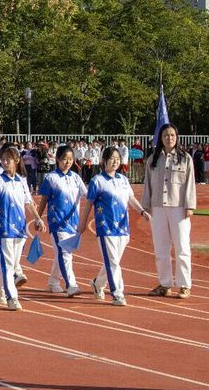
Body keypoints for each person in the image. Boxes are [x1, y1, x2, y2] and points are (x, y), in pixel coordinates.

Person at [80, 146, 148, 305]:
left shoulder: (123, 180)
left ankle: (97, 284)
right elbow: (89, 204)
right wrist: (82, 223)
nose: (115, 161)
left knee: (113, 261)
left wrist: (143, 212)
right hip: (106, 227)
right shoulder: (97, 181)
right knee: (113, 262)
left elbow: (131, 199)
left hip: (123, 227)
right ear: (104, 161)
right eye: (112, 159)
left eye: (117, 159)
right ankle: (118, 293)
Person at [0, 145, 46, 310]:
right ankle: (12, 297)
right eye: (3, 159)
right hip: (3, 228)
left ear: (17, 161)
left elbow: (29, 203)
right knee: (7, 264)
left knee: (13, 264)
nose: (5, 162)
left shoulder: (21, 181)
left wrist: (38, 219)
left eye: (8, 159)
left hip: (20, 228)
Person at [142, 123, 197, 299]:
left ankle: (184, 284)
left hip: (178, 207)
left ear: (177, 137)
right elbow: (148, 184)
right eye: (166, 135)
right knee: (161, 248)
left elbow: (190, 183)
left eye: (172, 135)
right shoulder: (153, 159)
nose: (169, 138)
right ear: (160, 138)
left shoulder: (185, 158)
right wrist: (146, 205)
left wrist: (190, 205)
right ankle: (165, 283)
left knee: (182, 247)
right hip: (158, 207)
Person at [37, 144, 87, 297]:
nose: (68, 162)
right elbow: (44, 200)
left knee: (64, 253)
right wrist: (38, 218)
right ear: (58, 159)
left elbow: (87, 195)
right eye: (65, 159)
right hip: (57, 222)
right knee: (65, 253)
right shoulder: (51, 178)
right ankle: (71, 284)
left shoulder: (76, 178)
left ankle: (53, 282)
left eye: (71, 159)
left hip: (73, 223)